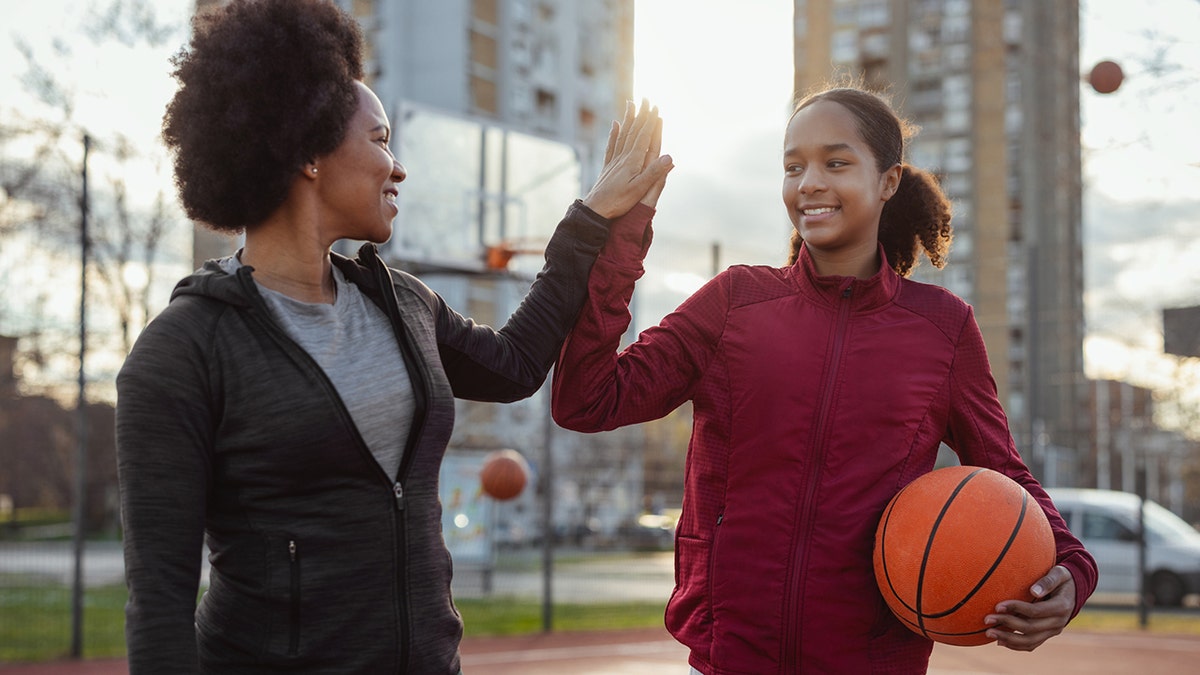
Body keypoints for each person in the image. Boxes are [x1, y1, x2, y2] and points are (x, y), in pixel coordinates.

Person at [114, 0, 670, 672]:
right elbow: (160, 603)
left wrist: (588, 218)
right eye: (379, 139)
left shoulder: (404, 304)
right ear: (308, 153)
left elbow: (518, 363)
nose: (397, 166)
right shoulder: (185, 349)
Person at [551, 84, 1098, 673]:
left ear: (888, 181)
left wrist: (1072, 569)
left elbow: (1003, 469)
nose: (808, 182)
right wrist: (621, 230)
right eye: (793, 166)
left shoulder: (944, 329)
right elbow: (586, 400)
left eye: (835, 162)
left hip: (871, 658)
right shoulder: (735, 301)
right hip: (731, 654)